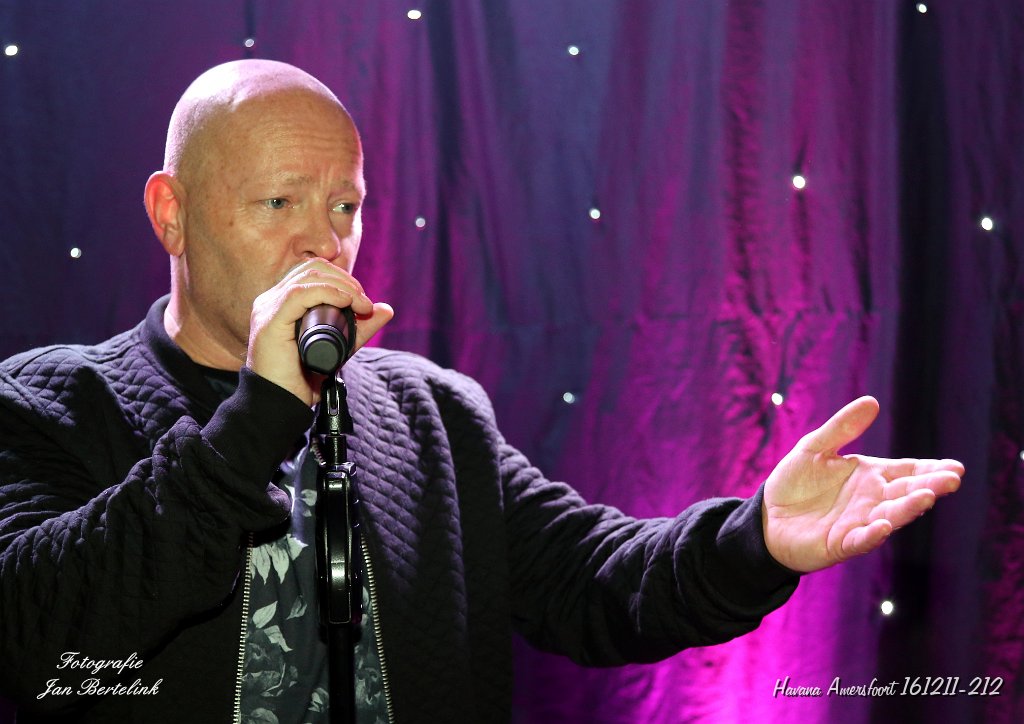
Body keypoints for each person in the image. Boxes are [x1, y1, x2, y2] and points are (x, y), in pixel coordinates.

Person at [0, 59, 963, 723]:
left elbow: (595, 583)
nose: (323, 242)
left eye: (345, 206)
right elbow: (45, 640)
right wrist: (259, 418)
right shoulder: (46, 404)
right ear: (171, 213)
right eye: (279, 202)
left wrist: (755, 539)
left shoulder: (431, 414)